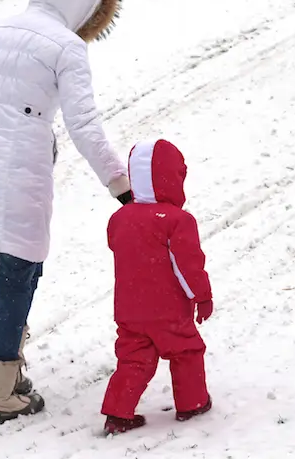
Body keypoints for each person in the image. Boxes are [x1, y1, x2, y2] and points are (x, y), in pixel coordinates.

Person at [0, 0, 133, 425]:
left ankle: (5, 372)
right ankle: (0, 391)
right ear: (83, 5)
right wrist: (119, 183)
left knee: (17, 271)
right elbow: (84, 124)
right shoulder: (66, 47)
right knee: (19, 272)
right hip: (20, 167)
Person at [100, 138, 214, 435]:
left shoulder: (119, 219)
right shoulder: (177, 220)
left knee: (134, 359)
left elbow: (116, 246)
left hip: (129, 310)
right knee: (186, 352)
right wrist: (202, 297)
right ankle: (193, 403)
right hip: (168, 310)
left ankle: (117, 413)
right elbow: (187, 265)